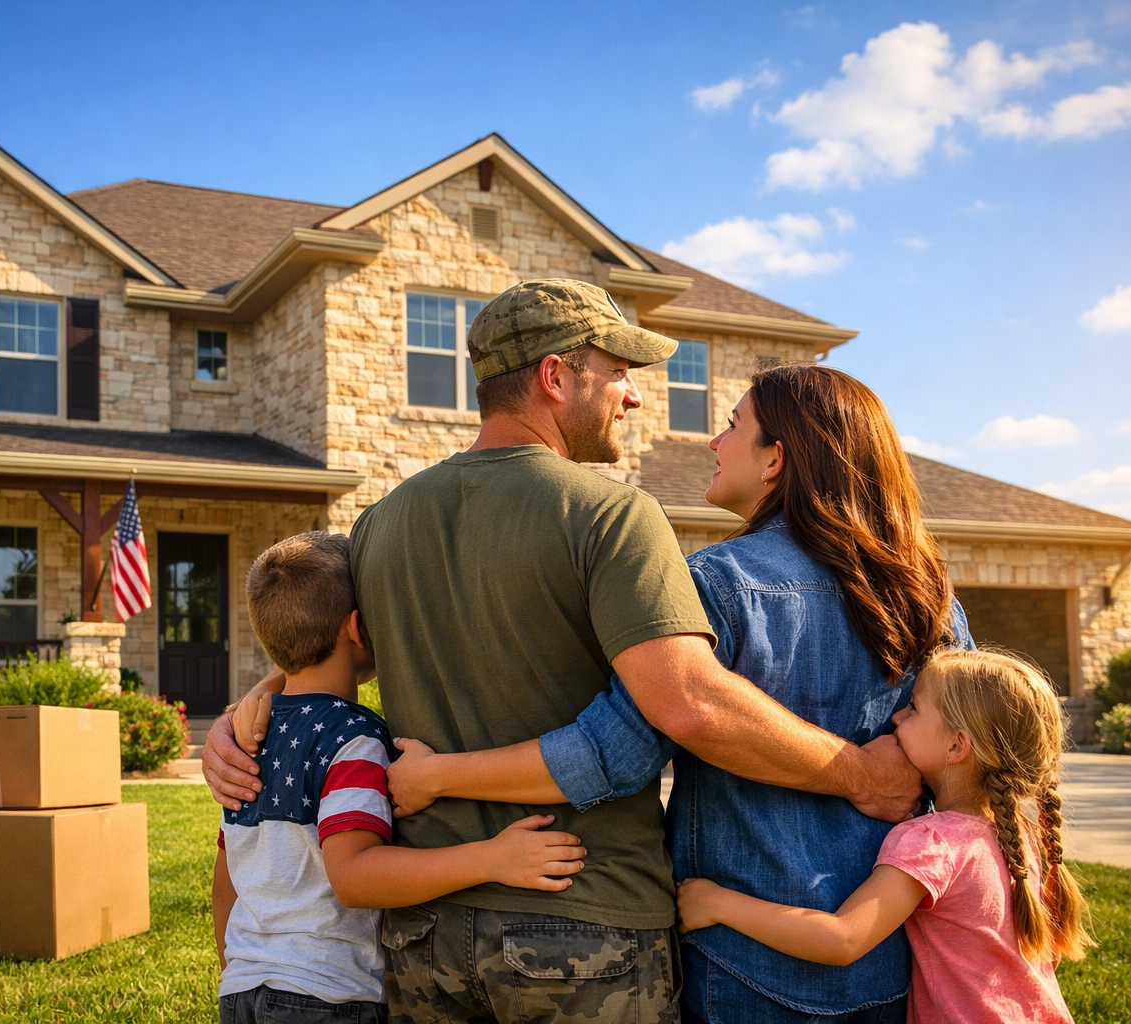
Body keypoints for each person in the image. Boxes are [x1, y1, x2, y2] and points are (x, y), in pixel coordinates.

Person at [205, 280, 922, 1024]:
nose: (634, 397)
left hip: (425, 935)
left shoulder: (381, 526)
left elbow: (325, 641)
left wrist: (255, 710)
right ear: (556, 377)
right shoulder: (612, 516)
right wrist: (863, 775)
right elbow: (685, 701)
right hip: (586, 925)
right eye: (617, 373)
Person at [385, 364, 971, 1022]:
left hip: (738, 953)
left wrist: (437, 776)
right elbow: (974, 762)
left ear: (776, 459)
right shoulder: (929, 596)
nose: (712, 443)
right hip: (886, 955)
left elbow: (615, 752)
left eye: (731, 426)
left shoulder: (714, 584)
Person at [213, 531, 588, 1024]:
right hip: (327, 997)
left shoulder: (248, 736)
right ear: (359, 627)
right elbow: (354, 876)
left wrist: (239, 967)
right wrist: (492, 857)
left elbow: (226, 879)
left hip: (241, 988)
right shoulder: (354, 738)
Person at [678, 648, 1090, 1024]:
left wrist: (715, 902)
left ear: (956, 746)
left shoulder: (933, 842)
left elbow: (842, 939)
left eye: (913, 709)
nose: (896, 717)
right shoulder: (1021, 836)